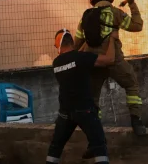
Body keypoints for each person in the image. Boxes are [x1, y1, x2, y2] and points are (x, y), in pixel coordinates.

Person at [74, 0, 146, 136]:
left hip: (93, 61)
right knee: (131, 84)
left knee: (93, 98)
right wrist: (132, 4)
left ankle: (94, 133)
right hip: (114, 60)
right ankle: (136, 121)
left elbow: (77, 42)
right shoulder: (116, 13)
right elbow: (137, 26)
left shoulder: (85, 16)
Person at [47, 28, 117, 164]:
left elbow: (75, 58)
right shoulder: (81, 59)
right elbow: (110, 60)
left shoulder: (56, 63)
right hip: (84, 110)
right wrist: (113, 39)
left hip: (65, 113)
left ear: (59, 45)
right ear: (71, 42)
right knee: (99, 145)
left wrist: (85, 43)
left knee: (55, 146)